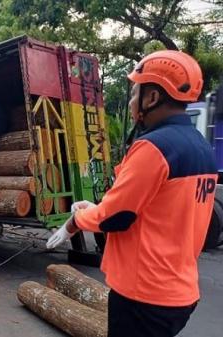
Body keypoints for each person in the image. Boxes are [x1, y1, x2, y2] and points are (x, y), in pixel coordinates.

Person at [46, 50, 215, 337]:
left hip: (144, 295)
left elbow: (116, 217)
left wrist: (74, 222)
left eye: (136, 92)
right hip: (180, 292)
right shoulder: (201, 147)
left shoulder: (153, 147)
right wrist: (98, 206)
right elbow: (154, 208)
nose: (132, 100)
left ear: (152, 98)